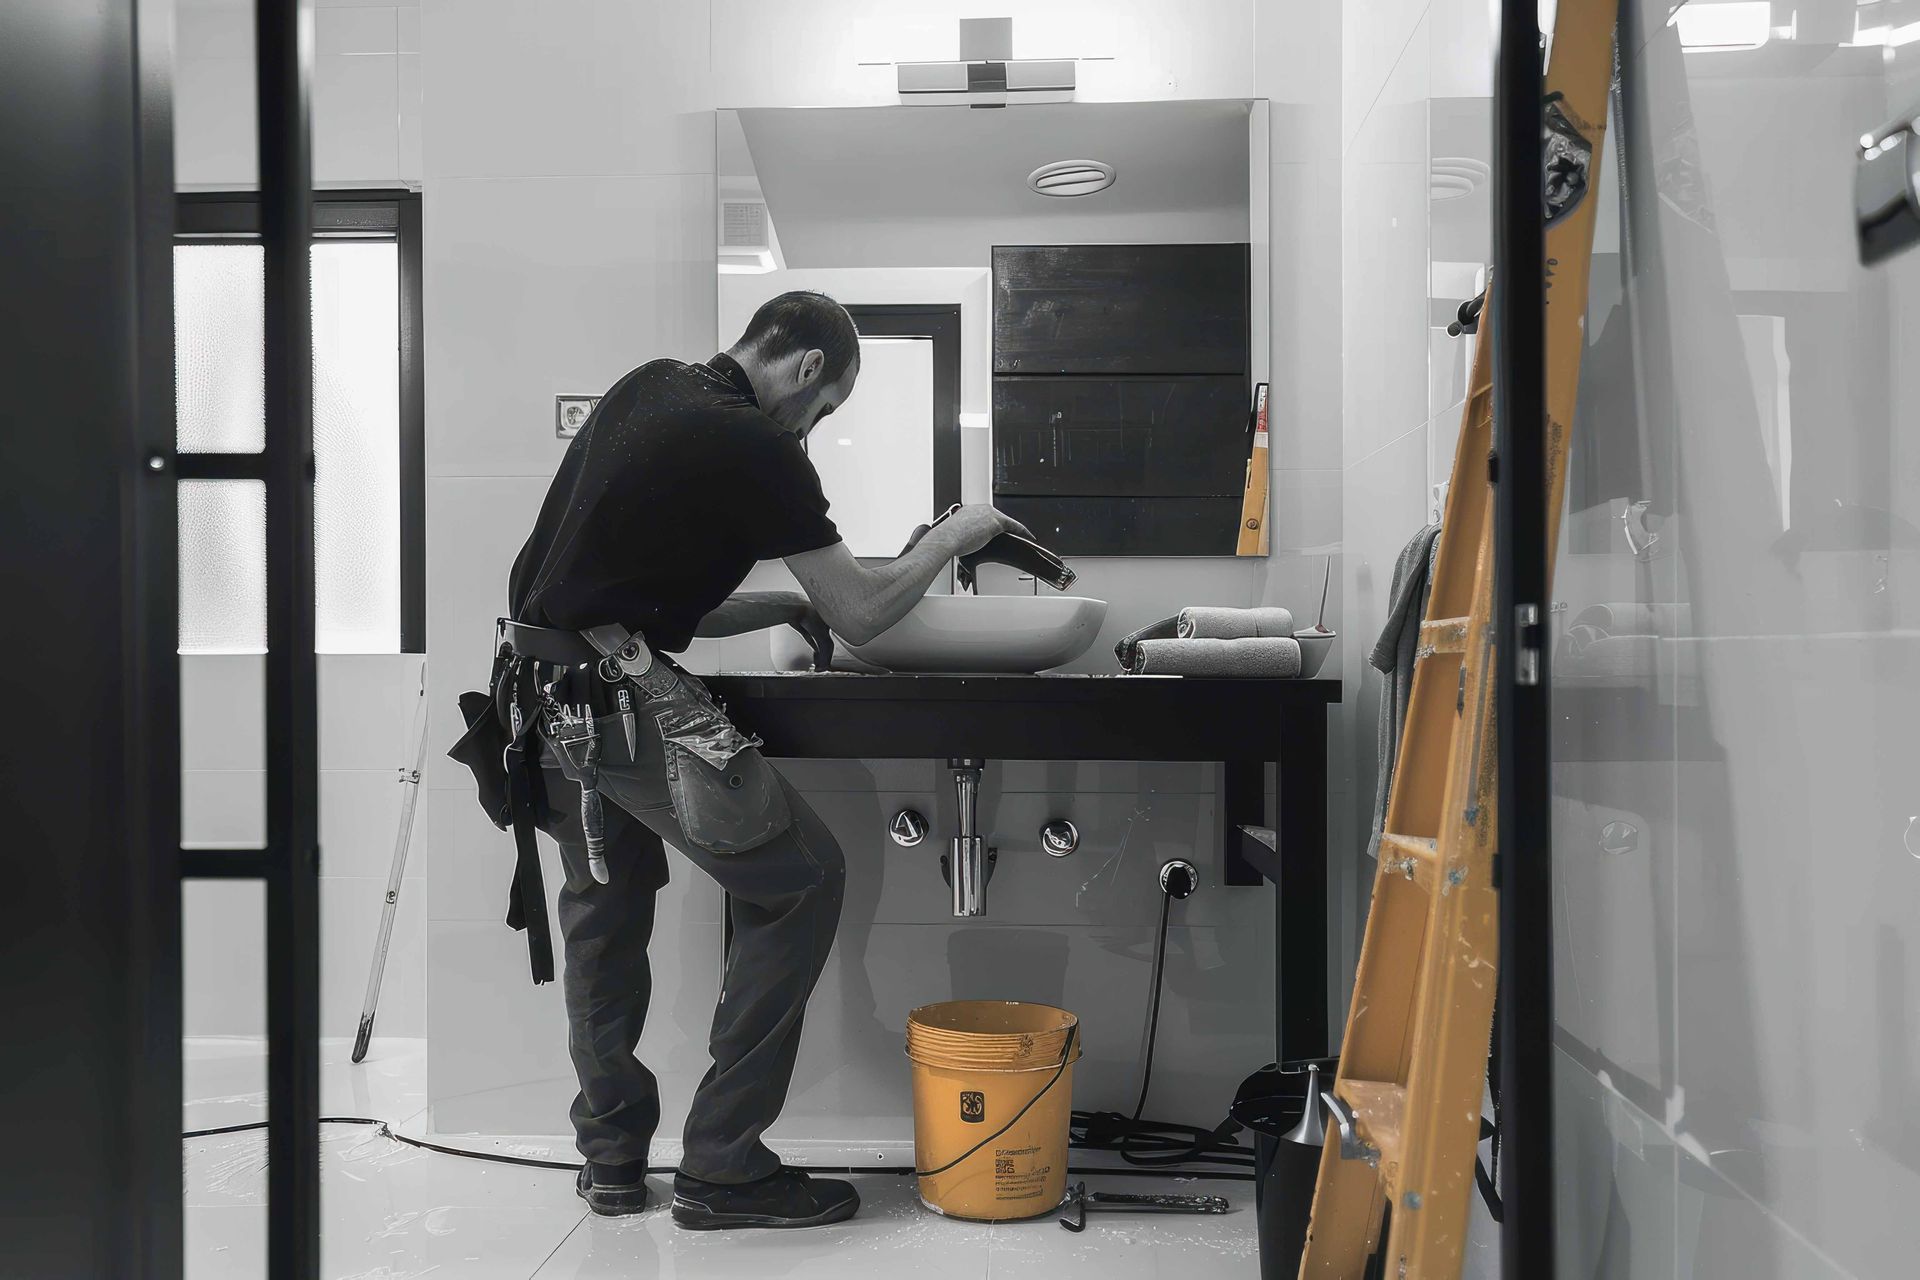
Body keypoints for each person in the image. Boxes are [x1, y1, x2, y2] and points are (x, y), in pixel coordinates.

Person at [504, 290, 1030, 1230]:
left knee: (603, 919)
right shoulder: (758, 445)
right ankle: (723, 1165)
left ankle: (614, 1157)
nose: (813, 431)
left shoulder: (651, 391)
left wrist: (786, 605)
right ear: (810, 367)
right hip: (620, 705)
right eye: (822, 412)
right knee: (805, 878)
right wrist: (954, 536)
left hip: (544, 700)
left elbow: (634, 602)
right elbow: (866, 612)